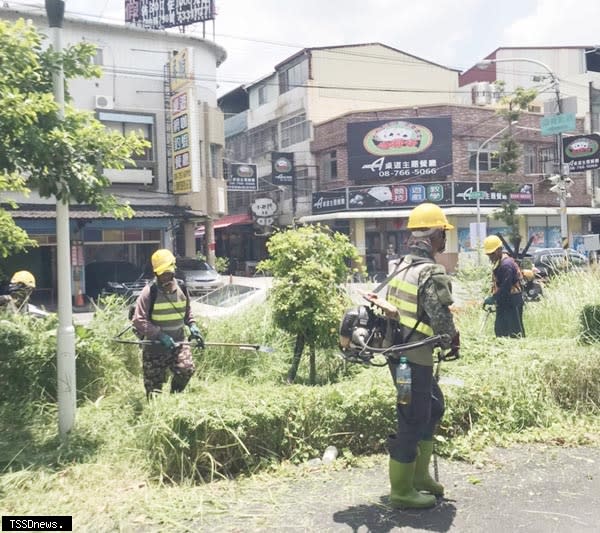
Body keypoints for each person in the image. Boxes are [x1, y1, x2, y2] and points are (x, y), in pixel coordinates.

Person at [383, 202, 459, 509]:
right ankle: (402, 490)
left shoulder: (401, 264)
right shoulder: (429, 271)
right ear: (436, 235)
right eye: (444, 233)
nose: (445, 240)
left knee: (432, 407)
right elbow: (441, 320)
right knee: (412, 418)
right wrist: (452, 340)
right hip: (411, 360)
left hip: (401, 357)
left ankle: (420, 477)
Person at [132, 249, 204, 397]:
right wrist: (159, 335)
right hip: (154, 348)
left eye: (168, 273)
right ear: (156, 273)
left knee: (186, 369)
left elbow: (187, 310)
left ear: (173, 270)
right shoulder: (149, 292)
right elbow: (138, 320)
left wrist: (193, 326)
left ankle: (174, 398)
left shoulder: (182, 288)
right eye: (162, 274)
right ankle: (155, 407)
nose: (165, 277)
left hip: (178, 343)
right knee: (154, 390)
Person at [482, 235, 525, 338]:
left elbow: (506, 287)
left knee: (513, 333)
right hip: (505, 301)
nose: (490, 257)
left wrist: (493, 298)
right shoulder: (500, 262)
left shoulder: (506, 265)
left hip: (511, 302)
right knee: (501, 331)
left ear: (499, 250)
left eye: (492, 254)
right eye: (489, 255)